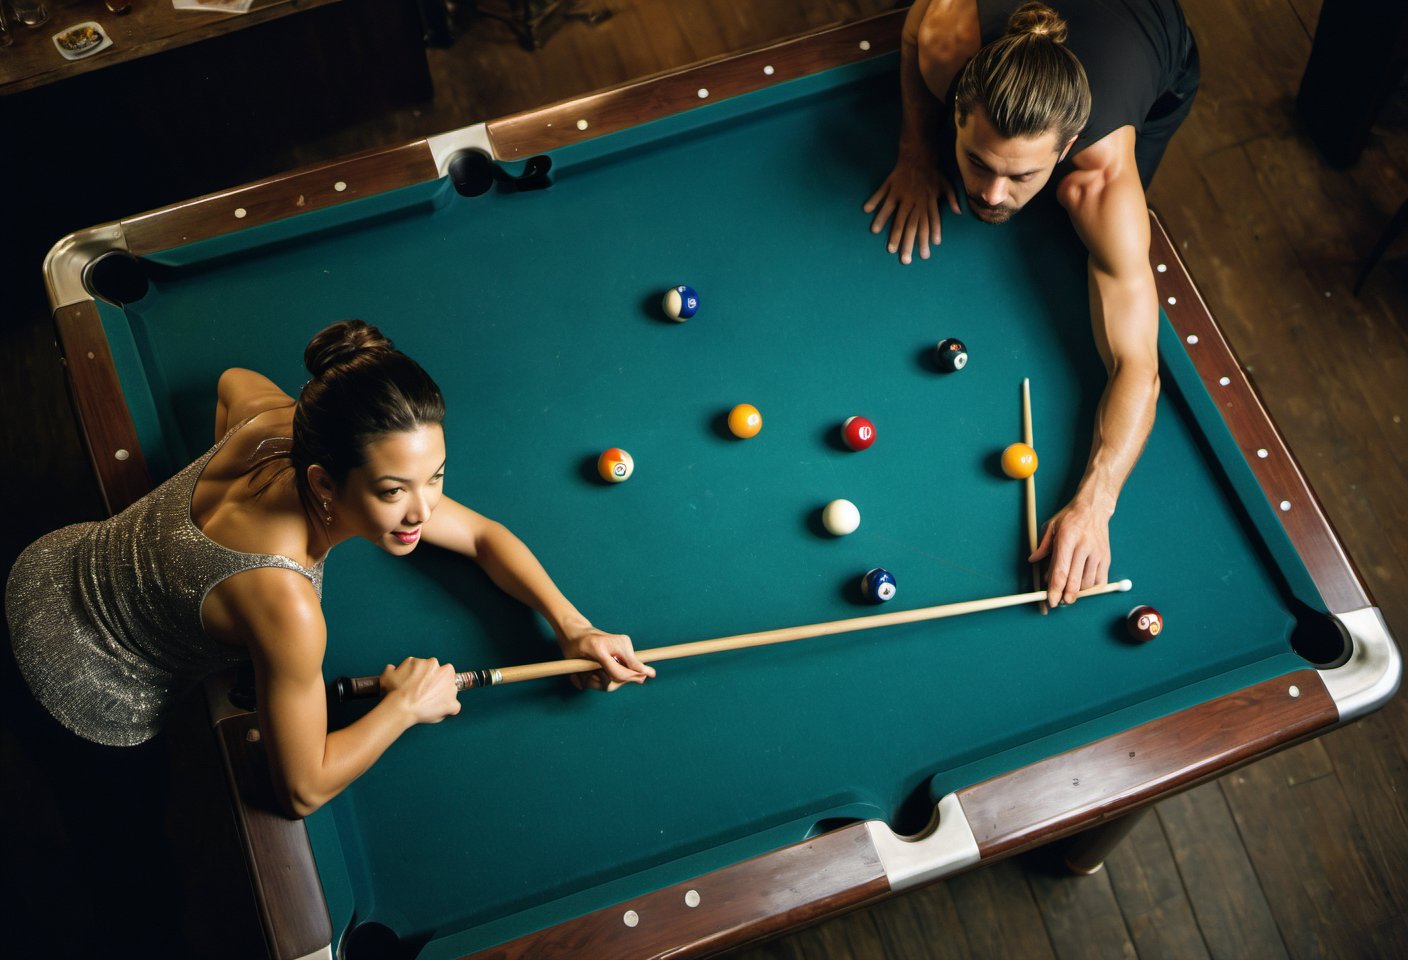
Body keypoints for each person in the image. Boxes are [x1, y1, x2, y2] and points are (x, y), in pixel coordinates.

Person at [5, 319, 653, 819]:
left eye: (436, 477)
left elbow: (482, 535)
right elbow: (302, 790)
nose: (423, 511)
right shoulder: (286, 602)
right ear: (324, 480)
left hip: (44, 570)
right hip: (80, 694)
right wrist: (404, 706)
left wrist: (574, 626)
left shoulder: (278, 425)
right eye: (393, 490)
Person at [863, 0, 1199, 607]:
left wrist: (1096, 500)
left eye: (1021, 176)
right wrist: (917, 149)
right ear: (961, 112)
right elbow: (918, 19)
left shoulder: (1099, 179)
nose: (990, 196)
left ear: (1068, 143)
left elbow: (1137, 368)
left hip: (1149, 31)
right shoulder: (948, 50)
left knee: (1090, 235)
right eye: (976, 162)